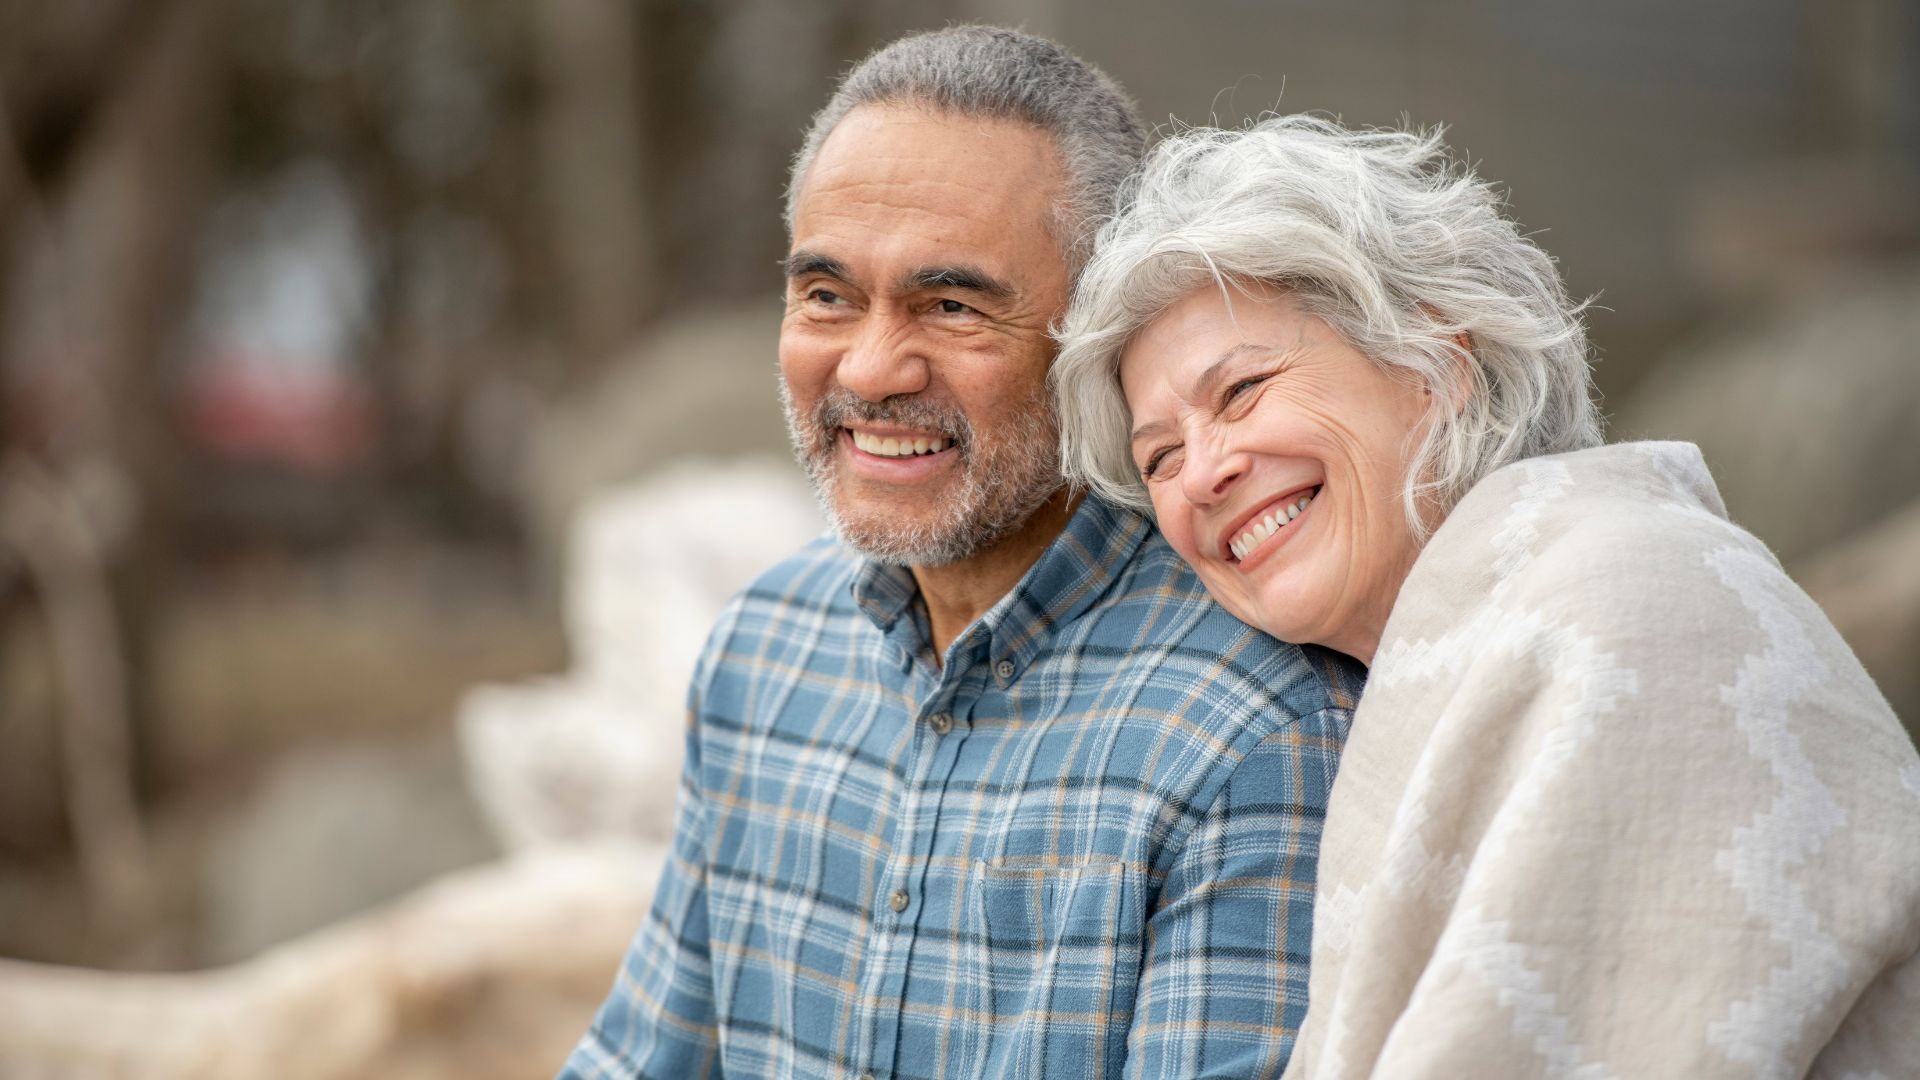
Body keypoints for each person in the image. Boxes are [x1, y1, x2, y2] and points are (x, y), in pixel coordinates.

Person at [561, 31, 1366, 1080]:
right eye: (827, 296)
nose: (871, 366)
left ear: (1098, 340)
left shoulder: (1253, 727)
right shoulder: (763, 648)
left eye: (951, 305)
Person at [1054, 115, 1920, 1078]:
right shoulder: (1439, 652)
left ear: (1439, 366)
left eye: (1244, 390)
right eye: (1159, 456)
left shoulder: (1631, 606)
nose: (1203, 472)